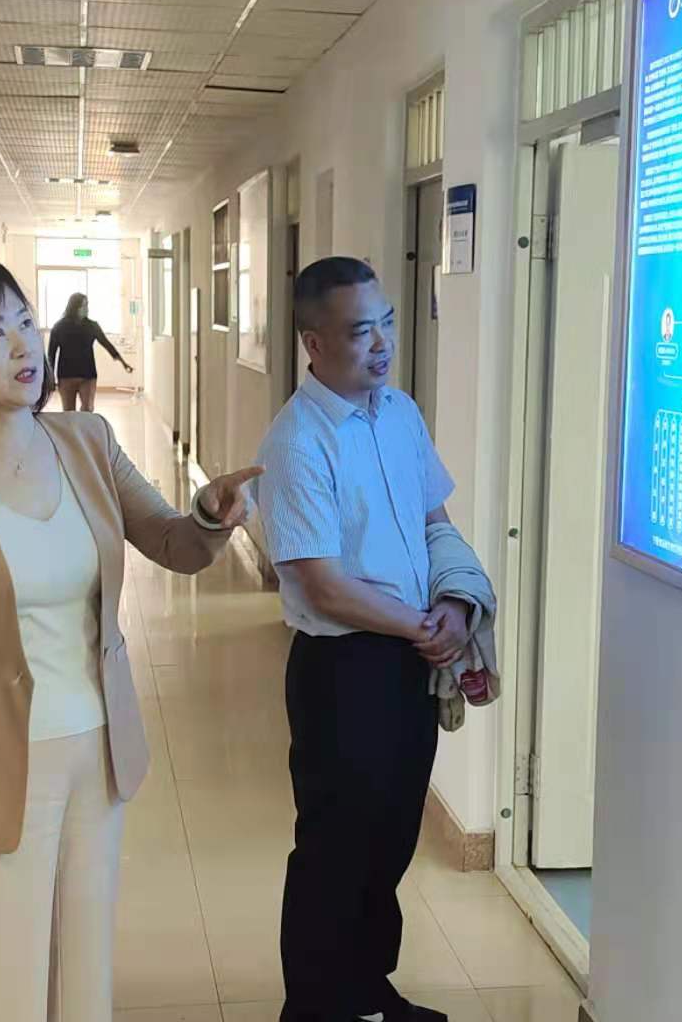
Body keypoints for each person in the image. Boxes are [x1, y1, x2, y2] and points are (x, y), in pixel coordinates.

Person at [0, 259, 260, 1022]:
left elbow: (172, 541)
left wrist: (209, 516)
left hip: (97, 747)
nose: (26, 345)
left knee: (85, 966)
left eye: (26, 320)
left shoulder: (86, 440)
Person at [256, 257, 480, 1022]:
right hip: (343, 667)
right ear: (315, 343)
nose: (382, 343)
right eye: (361, 331)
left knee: (389, 839)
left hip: (410, 657)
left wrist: (454, 604)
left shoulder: (401, 414)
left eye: (386, 323)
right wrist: (424, 627)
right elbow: (322, 584)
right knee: (335, 847)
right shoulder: (297, 441)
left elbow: (434, 521)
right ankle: (315, 1007)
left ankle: (366, 991)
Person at [45, 290, 131, 412]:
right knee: (69, 412)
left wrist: (123, 362)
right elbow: (51, 354)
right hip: (66, 376)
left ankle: (84, 424)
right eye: (84, 305)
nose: (87, 309)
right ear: (74, 307)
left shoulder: (92, 326)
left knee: (88, 409)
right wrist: (50, 378)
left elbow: (107, 345)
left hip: (88, 375)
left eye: (87, 305)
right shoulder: (59, 327)